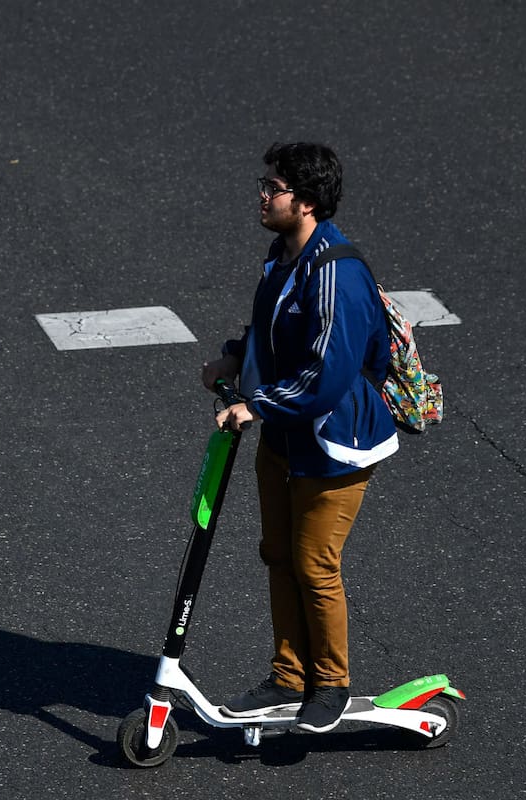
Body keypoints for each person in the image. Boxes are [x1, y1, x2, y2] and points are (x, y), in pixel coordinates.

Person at [201, 142, 399, 733]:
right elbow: (271, 324)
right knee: (278, 554)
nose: (263, 195)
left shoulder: (336, 272)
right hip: (288, 434)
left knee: (315, 563)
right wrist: (236, 358)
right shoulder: (283, 252)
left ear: (306, 202)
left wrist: (253, 404)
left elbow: (327, 376)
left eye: (274, 188)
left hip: (334, 439)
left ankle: (331, 683)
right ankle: (288, 677)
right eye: (264, 183)